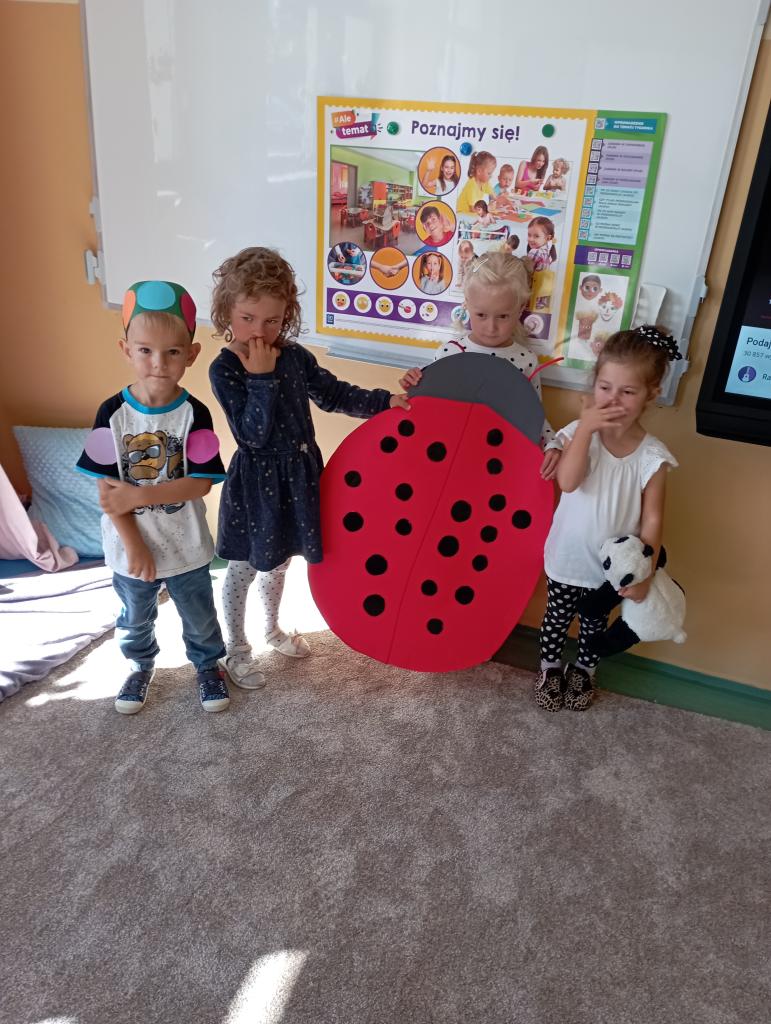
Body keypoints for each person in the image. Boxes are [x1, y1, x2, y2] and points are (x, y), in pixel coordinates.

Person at [209, 247, 410, 688]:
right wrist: (261, 377)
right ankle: (235, 650)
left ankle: (271, 629)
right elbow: (252, 434)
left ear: (287, 316)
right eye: (247, 319)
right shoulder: (225, 368)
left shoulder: (295, 357)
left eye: (272, 321)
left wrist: (385, 403)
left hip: (298, 477)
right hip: (256, 484)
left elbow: (335, 395)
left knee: (280, 563)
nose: (259, 332)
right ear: (226, 311)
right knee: (244, 567)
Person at [76, 281, 230, 715]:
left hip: (186, 545)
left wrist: (139, 495)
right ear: (126, 349)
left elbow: (200, 483)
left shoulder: (195, 413)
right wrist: (134, 545)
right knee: (134, 617)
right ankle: (139, 667)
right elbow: (108, 492)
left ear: (191, 354)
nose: (158, 363)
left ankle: (208, 667)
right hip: (130, 550)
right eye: (145, 350)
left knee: (199, 615)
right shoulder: (111, 412)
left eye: (172, 352)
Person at [535, 326, 680, 712]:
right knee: (555, 620)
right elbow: (567, 482)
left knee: (594, 626)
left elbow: (653, 518)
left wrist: (644, 573)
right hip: (567, 559)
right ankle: (549, 669)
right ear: (594, 384)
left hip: (612, 571)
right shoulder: (577, 433)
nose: (613, 399)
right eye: (604, 387)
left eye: (627, 391)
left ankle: (585, 670)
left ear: (651, 394)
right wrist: (585, 428)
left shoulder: (653, 455)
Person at [399, 252, 563, 480]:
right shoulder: (450, 352)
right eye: (481, 315)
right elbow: (429, 410)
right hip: (448, 460)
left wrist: (552, 444)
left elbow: (533, 415)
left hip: (499, 462)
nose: (491, 327)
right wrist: (414, 386)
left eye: (503, 316)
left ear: (520, 308)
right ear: (467, 304)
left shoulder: (525, 360)